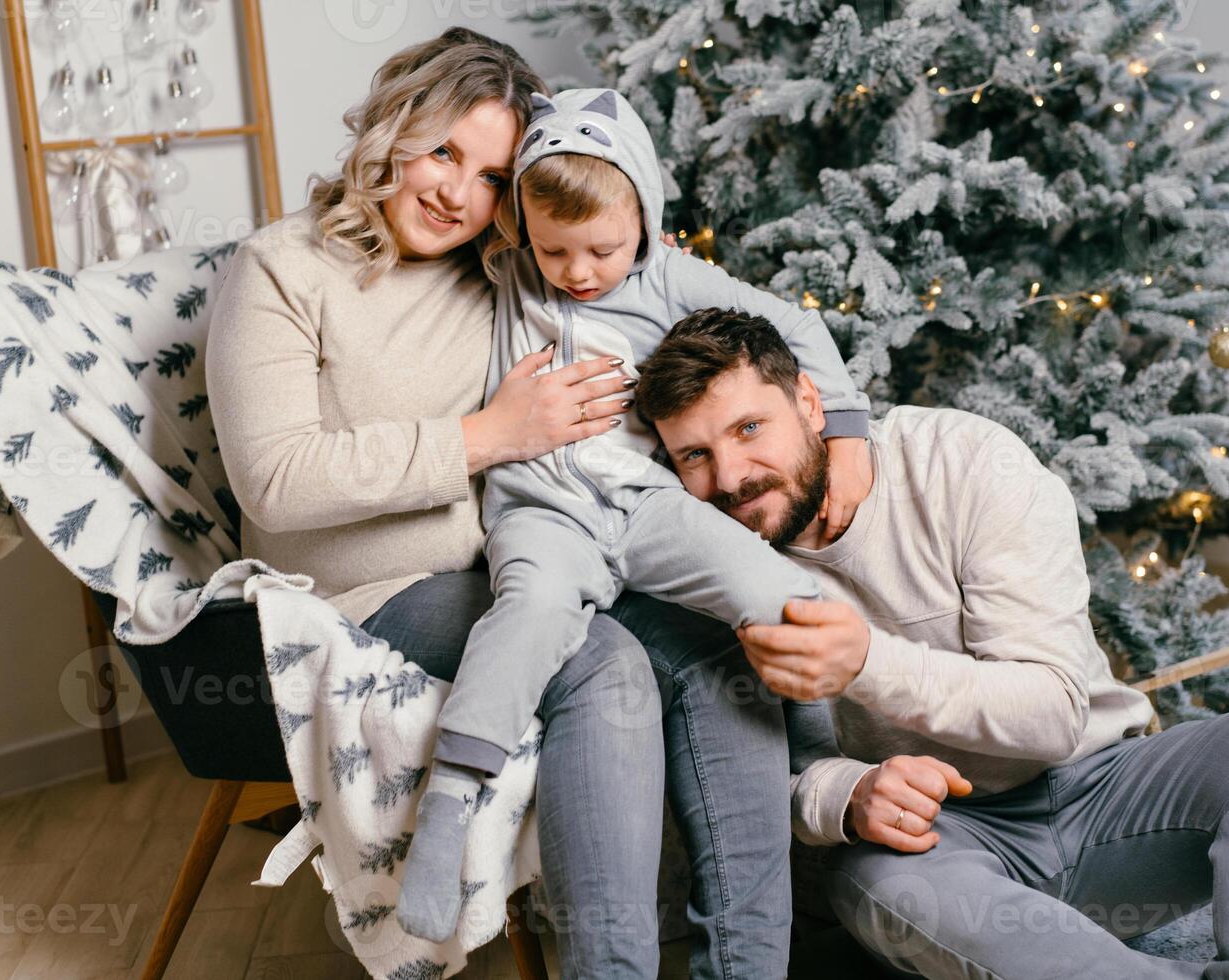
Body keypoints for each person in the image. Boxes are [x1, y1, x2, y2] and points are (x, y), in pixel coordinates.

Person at [205, 30, 801, 979]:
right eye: (443, 152)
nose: (456, 192)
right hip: (374, 587)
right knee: (601, 666)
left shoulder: (513, 271)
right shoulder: (280, 269)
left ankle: (750, 966)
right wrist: (487, 436)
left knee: (714, 654)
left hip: (535, 552)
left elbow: (642, 282)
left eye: (489, 176)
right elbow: (275, 479)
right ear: (390, 135)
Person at [633, 306, 1229, 979]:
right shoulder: (710, 566)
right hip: (945, 851)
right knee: (878, 884)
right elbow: (741, 784)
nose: (728, 477)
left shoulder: (961, 462)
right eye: (694, 456)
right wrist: (844, 794)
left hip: (1103, 791)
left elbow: (1051, 715)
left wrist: (865, 664)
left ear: (810, 406)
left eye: (748, 429)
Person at [394, 85, 873, 943]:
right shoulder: (509, 270)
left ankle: (814, 760)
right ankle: (447, 811)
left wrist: (845, 429)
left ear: (643, 216)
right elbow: (436, 222)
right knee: (529, 615)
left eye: (601, 249)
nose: (578, 272)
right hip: (542, 513)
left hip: (648, 507)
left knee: (785, 592)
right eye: (556, 251)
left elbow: (795, 328)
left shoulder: (670, 276)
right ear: (523, 233)